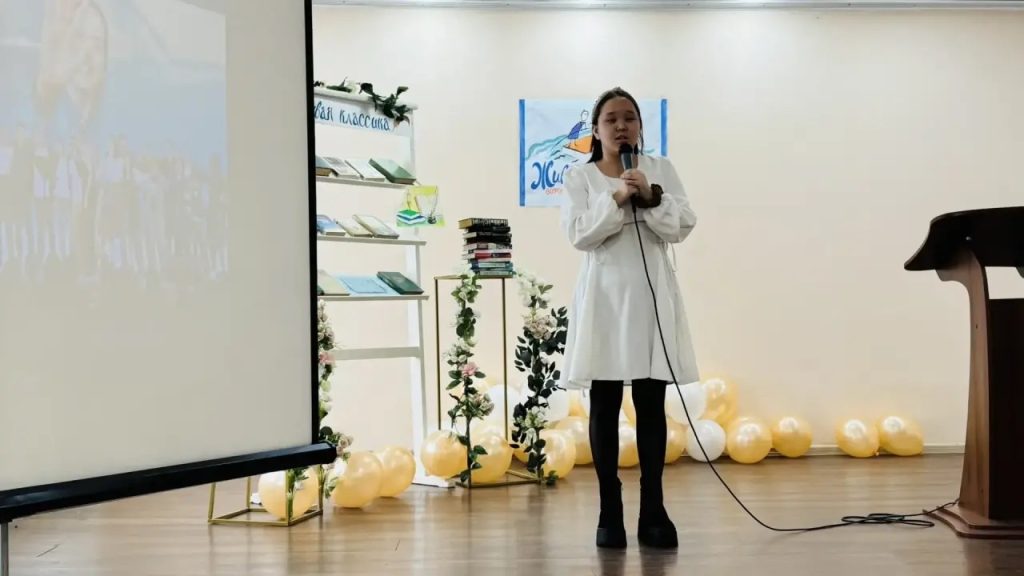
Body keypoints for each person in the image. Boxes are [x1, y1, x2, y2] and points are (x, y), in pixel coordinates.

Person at [559, 87, 699, 550]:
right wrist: (617, 197)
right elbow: (580, 235)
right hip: (604, 296)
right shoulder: (579, 177)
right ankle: (609, 508)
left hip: (650, 293)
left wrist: (651, 198)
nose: (621, 126)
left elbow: (682, 225)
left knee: (650, 402)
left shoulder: (660, 169)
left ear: (640, 125)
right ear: (596, 130)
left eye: (630, 118)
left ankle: (653, 507)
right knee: (604, 402)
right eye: (611, 119)